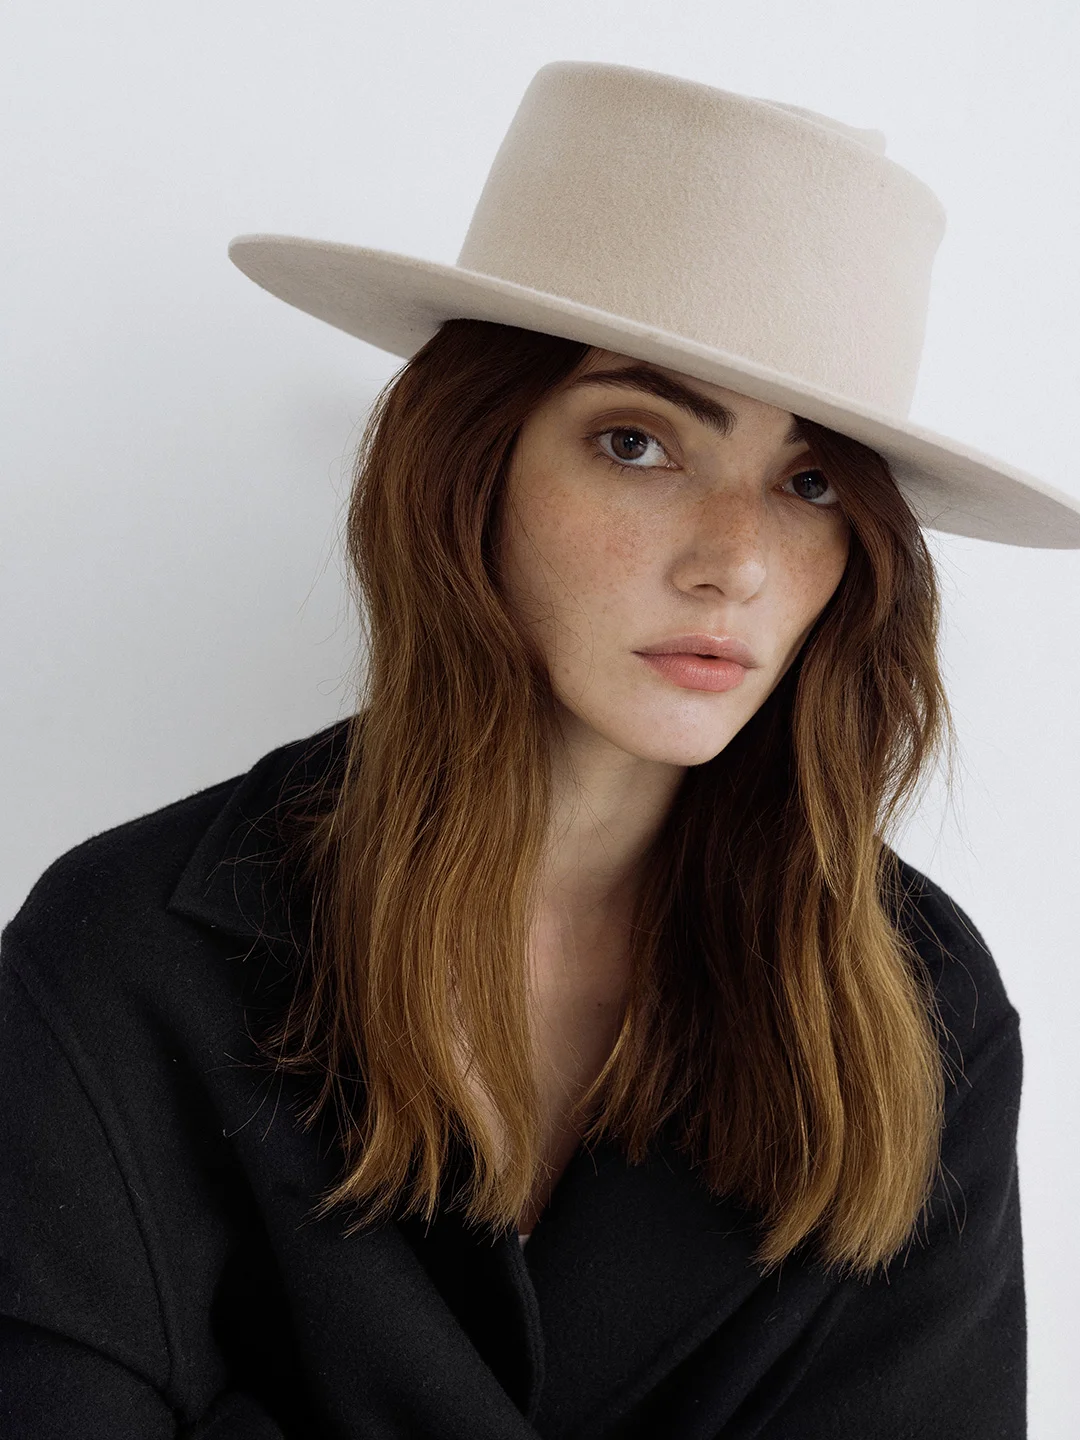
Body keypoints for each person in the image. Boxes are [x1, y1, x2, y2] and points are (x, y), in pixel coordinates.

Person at [2, 59, 1076, 1440]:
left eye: (811, 482)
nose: (737, 562)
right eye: (637, 443)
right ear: (470, 466)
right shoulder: (124, 956)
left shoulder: (919, 1010)